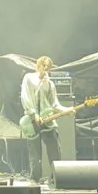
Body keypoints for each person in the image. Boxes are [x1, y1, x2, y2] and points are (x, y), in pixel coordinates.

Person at [19, 55, 64, 183]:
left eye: (48, 67)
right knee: (35, 153)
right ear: (37, 66)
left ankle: (56, 177)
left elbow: (54, 104)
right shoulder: (29, 78)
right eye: (43, 66)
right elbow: (25, 97)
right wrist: (34, 114)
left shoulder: (50, 84)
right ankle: (35, 179)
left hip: (48, 120)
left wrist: (67, 110)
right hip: (33, 119)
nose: (45, 69)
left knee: (55, 149)